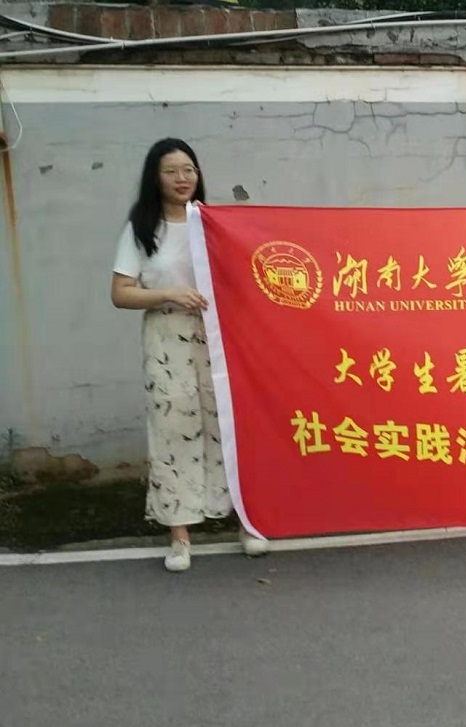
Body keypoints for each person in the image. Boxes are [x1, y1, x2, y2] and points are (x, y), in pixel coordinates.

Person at [111, 138, 268, 571]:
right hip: (166, 337)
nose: (182, 179)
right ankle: (179, 536)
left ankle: (245, 521)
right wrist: (168, 293)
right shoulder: (142, 228)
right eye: (171, 171)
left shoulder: (212, 223)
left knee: (227, 426)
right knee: (173, 427)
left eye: (189, 170)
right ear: (155, 178)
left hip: (217, 336)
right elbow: (120, 293)